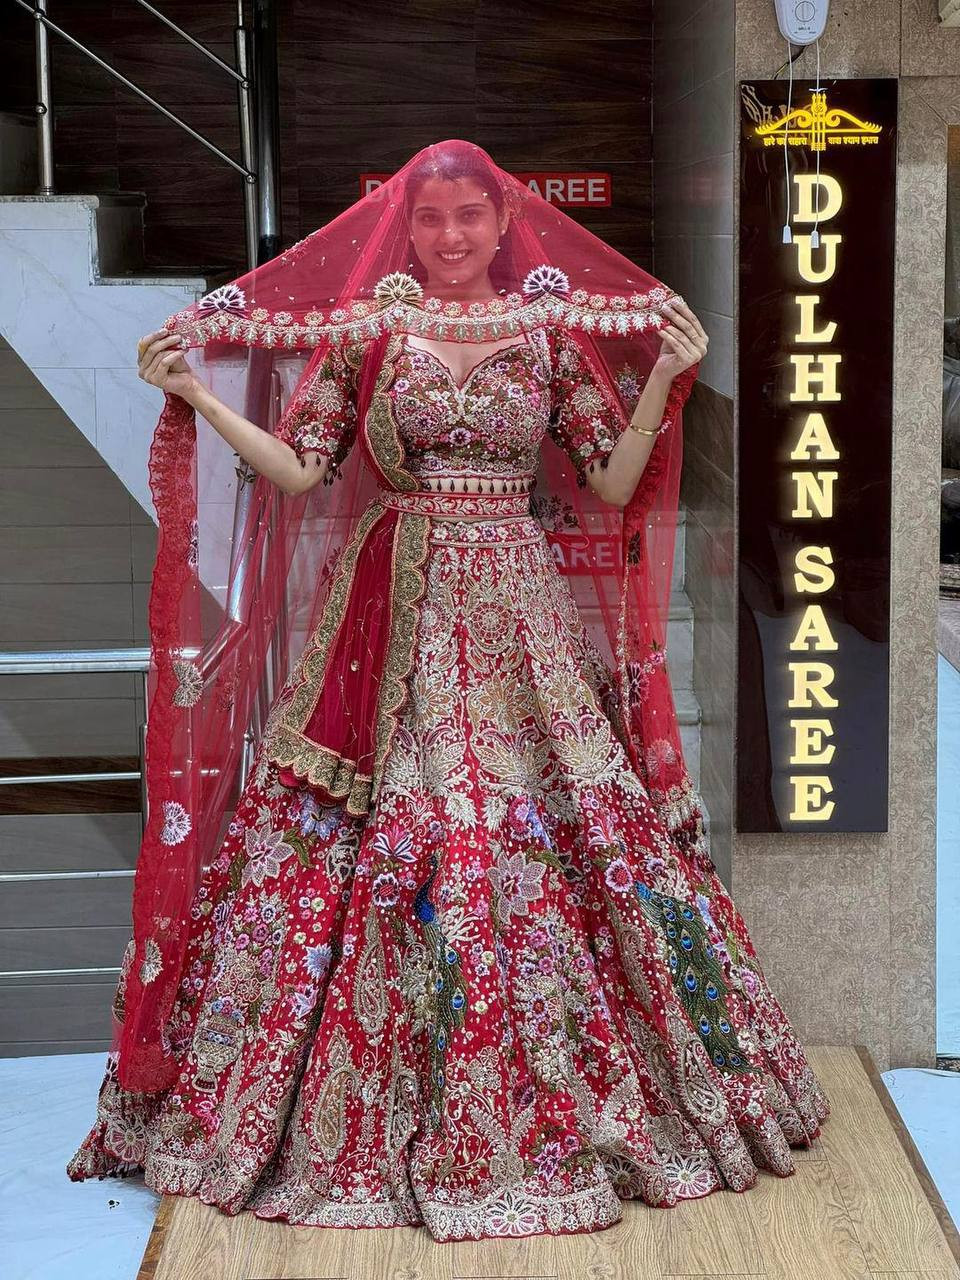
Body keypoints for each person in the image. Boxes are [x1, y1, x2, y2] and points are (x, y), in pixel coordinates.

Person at [67, 140, 829, 1242]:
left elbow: (613, 480)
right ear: (404, 226)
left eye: (470, 215)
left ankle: (567, 1095)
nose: (452, 237)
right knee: (395, 829)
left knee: (556, 823)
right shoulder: (369, 334)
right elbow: (300, 468)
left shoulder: (547, 332)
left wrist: (668, 376)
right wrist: (193, 393)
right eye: (430, 219)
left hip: (518, 616)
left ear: (502, 221)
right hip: (396, 616)